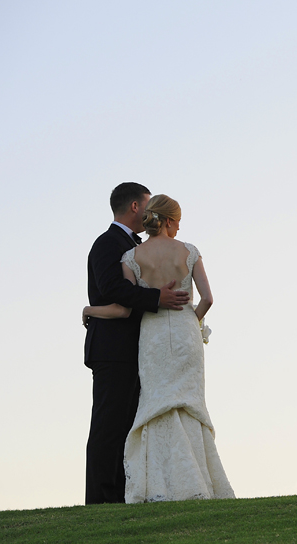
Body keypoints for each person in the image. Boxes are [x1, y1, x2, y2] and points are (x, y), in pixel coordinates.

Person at [85, 194, 234, 503]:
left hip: (150, 337)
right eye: (177, 222)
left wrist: (89, 310)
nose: (179, 228)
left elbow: (124, 306)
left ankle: (158, 486)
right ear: (168, 221)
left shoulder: (131, 256)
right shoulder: (189, 251)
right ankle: (198, 481)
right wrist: (191, 323)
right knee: (189, 405)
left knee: (154, 406)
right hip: (185, 334)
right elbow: (207, 299)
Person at [84, 182, 190, 505]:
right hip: (112, 351)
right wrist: (159, 297)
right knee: (108, 428)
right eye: (147, 203)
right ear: (134, 207)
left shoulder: (137, 247)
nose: (150, 209)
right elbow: (113, 289)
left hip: (138, 351)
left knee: (128, 427)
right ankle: (100, 501)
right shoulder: (107, 244)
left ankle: (121, 497)